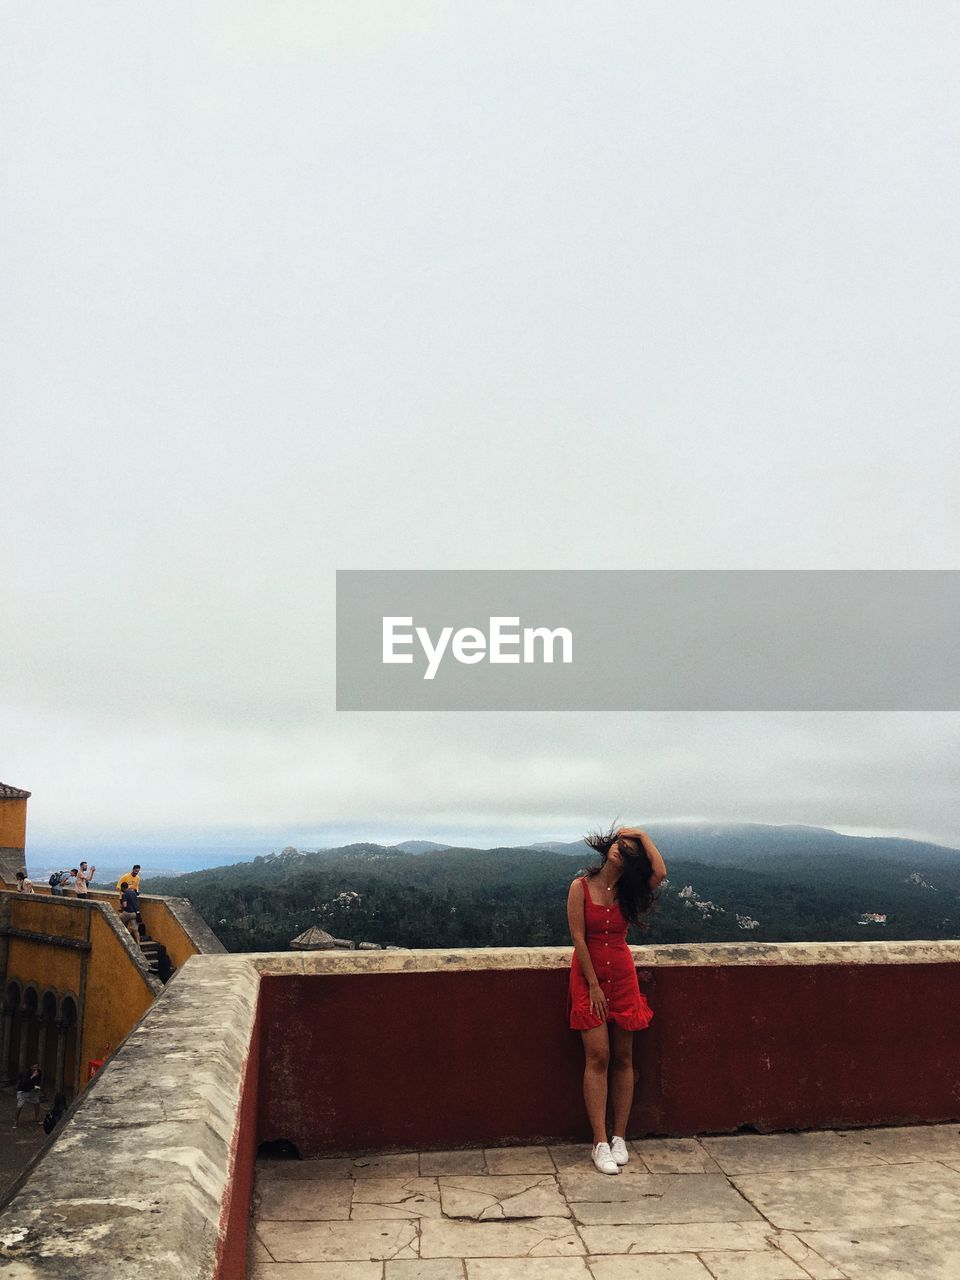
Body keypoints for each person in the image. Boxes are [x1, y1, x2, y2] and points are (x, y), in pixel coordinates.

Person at [567, 823, 667, 1176]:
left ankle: (619, 1136)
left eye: (629, 849)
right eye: (619, 843)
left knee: (624, 1058)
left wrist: (642, 835)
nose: (620, 849)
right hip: (589, 978)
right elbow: (578, 940)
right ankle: (599, 1142)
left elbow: (661, 871)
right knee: (599, 1056)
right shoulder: (580, 887)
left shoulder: (630, 890)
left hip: (623, 977)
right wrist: (592, 985)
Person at [13, 1063, 43, 1127]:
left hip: (32, 1090)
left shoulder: (39, 1072)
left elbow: (38, 1081)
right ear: (30, 1067)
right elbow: (24, 1082)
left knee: (37, 1102)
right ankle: (16, 1121)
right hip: (23, 1090)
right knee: (20, 1106)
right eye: (34, 1067)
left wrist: (37, 1087)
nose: (36, 1069)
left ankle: (36, 1118)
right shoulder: (25, 1072)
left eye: (37, 1067)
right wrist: (32, 1076)